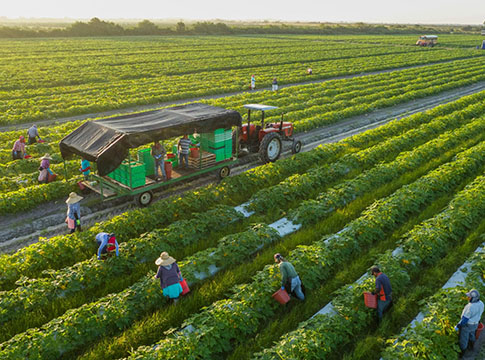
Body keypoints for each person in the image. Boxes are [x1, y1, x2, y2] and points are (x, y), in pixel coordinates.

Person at [455, 289, 484, 355]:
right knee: (472, 335)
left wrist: (458, 326)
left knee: (464, 339)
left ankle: (463, 352)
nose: (468, 298)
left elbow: (465, 319)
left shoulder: (470, 307)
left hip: (468, 325)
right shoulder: (481, 303)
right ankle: (472, 346)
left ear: (473, 298)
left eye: (469, 296)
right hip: (475, 323)